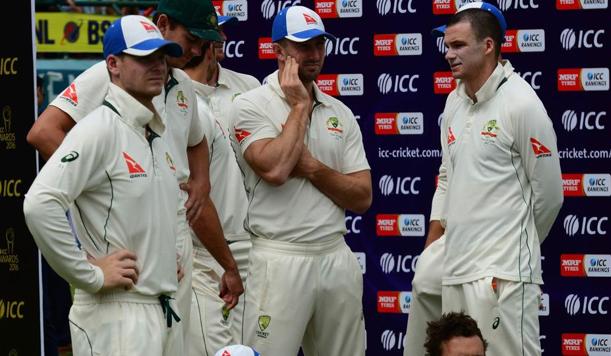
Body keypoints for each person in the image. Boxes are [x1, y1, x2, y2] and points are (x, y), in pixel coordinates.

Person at [25, 0, 244, 352]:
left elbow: (195, 139)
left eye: (161, 56)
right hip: (118, 294)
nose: (198, 50)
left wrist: (200, 183)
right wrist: (94, 187)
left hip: (165, 278)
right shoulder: (105, 111)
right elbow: (42, 153)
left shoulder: (166, 108)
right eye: (192, 39)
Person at [24, 15, 185, 355]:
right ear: (113, 64)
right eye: (143, 57)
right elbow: (39, 203)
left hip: (164, 308)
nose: (157, 65)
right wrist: (89, 274)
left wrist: (171, 253)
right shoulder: (98, 128)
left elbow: (167, 207)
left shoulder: (156, 131)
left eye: (161, 56)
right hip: (116, 316)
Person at [408, 2, 563, 355]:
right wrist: (434, 245)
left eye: (459, 45)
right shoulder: (453, 102)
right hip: (457, 264)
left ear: (489, 46)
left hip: (503, 272)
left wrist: (512, 248)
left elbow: (550, 194)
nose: (449, 54)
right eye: (447, 46)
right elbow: (446, 177)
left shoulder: (521, 103)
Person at [230, 5, 372, 355]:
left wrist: (311, 168)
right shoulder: (250, 105)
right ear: (278, 51)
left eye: (319, 44)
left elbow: (362, 197)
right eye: (303, 45)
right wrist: (298, 107)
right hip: (279, 256)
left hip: (335, 254)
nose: (314, 54)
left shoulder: (340, 111)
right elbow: (276, 169)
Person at [182, 41, 251, 354]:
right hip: (202, 253)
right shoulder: (177, 102)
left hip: (247, 244)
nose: (222, 39)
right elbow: (195, 197)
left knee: (245, 348)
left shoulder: (245, 86)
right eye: (213, 34)